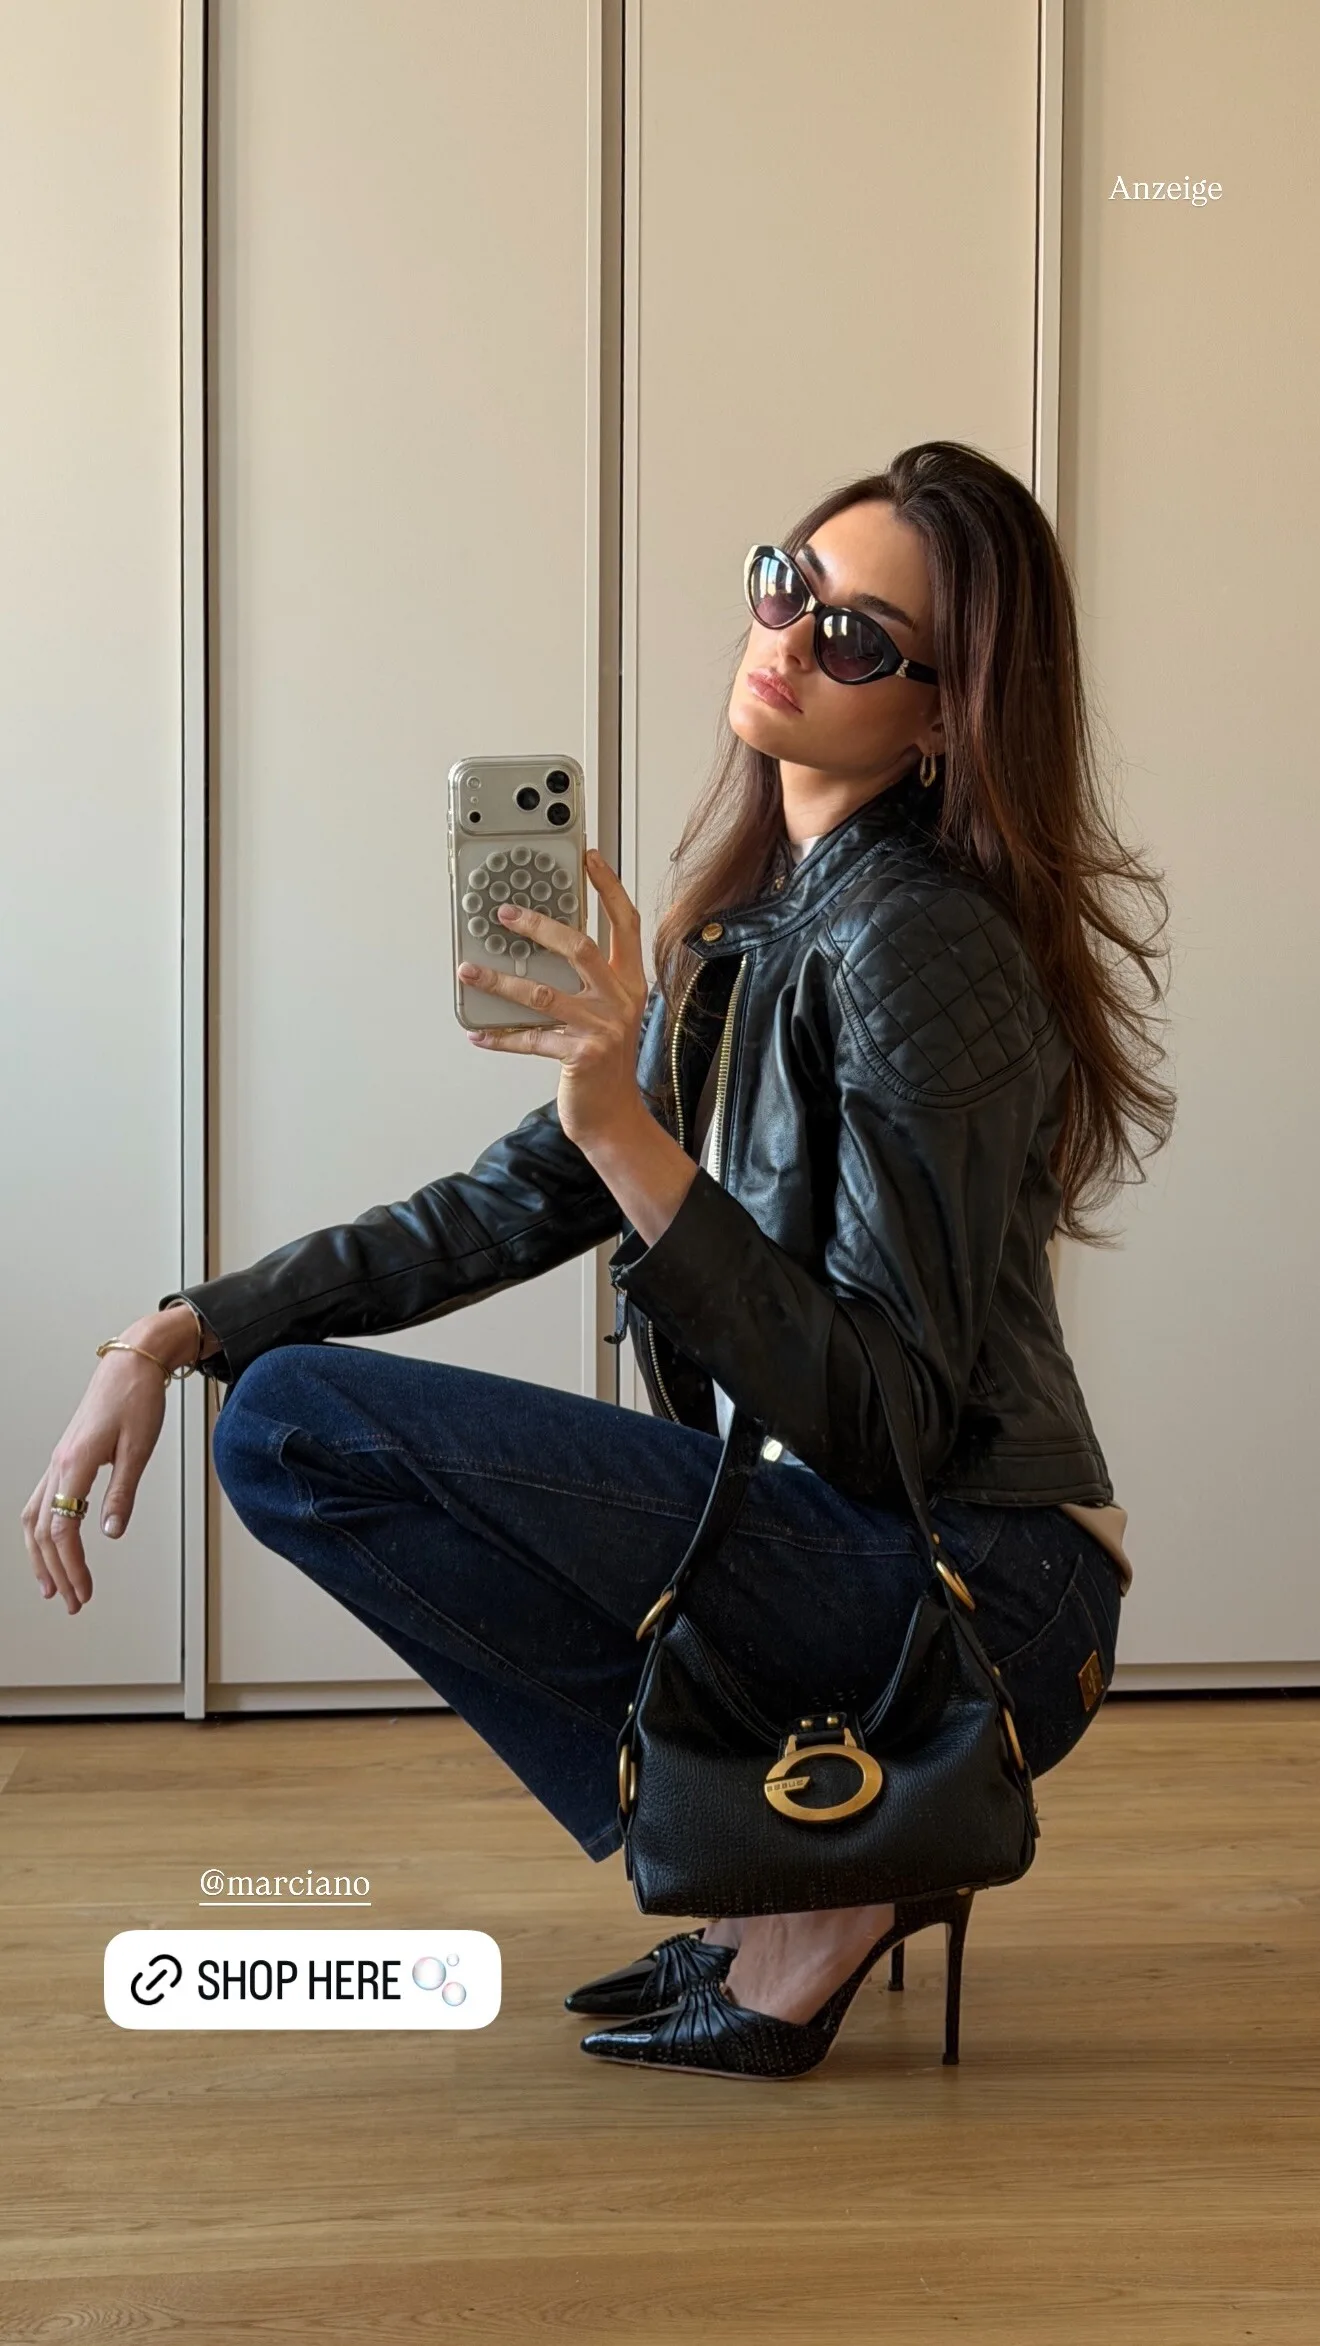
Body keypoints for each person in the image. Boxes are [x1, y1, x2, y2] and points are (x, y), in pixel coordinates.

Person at [20, 441, 1175, 2082]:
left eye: (857, 636)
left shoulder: (916, 940)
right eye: (787, 584)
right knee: (276, 1420)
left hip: (981, 1583)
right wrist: (171, 1330)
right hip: (858, 1546)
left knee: (294, 1424)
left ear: (943, 719)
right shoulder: (750, 939)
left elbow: (887, 1419)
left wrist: (628, 1136)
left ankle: (811, 1879)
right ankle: (778, 1857)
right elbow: (486, 1214)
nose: (788, 636)